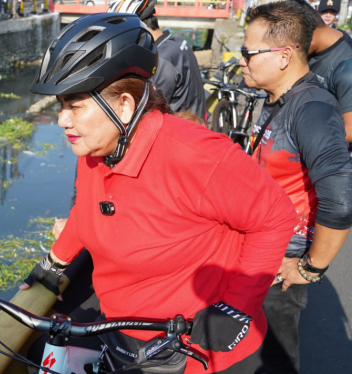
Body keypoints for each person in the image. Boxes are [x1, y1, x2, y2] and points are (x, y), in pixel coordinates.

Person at [20, 13, 296, 374]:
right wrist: (51, 267)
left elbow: (275, 215)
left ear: (123, 106)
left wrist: (236, 308)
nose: (62, 120)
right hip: (121, 334)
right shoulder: (94, 151)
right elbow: (85, 215)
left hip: (192, 348)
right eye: (60, 106)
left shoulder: (196, 155)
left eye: (75, 106)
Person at [239, 2, 352, 373]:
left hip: (280, 269)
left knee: (274, 360)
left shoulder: (313, 107)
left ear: (284, 55)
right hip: (256, 255)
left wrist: (310, 268)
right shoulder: (278, 99)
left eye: (248, 52)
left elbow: (341, 198)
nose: (241, 60)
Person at [109, 0, 207, 120]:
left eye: (126, 32)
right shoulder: (177, 43)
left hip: (181, 130)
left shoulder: (161, 59)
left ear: (142, 26)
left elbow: (150, 109)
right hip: (196, 120)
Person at [291, 0, 352, 142]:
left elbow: (350, 131)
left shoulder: (346, 68)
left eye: (294, 43)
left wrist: (301, 134)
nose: (292, 49)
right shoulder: (313, 48)